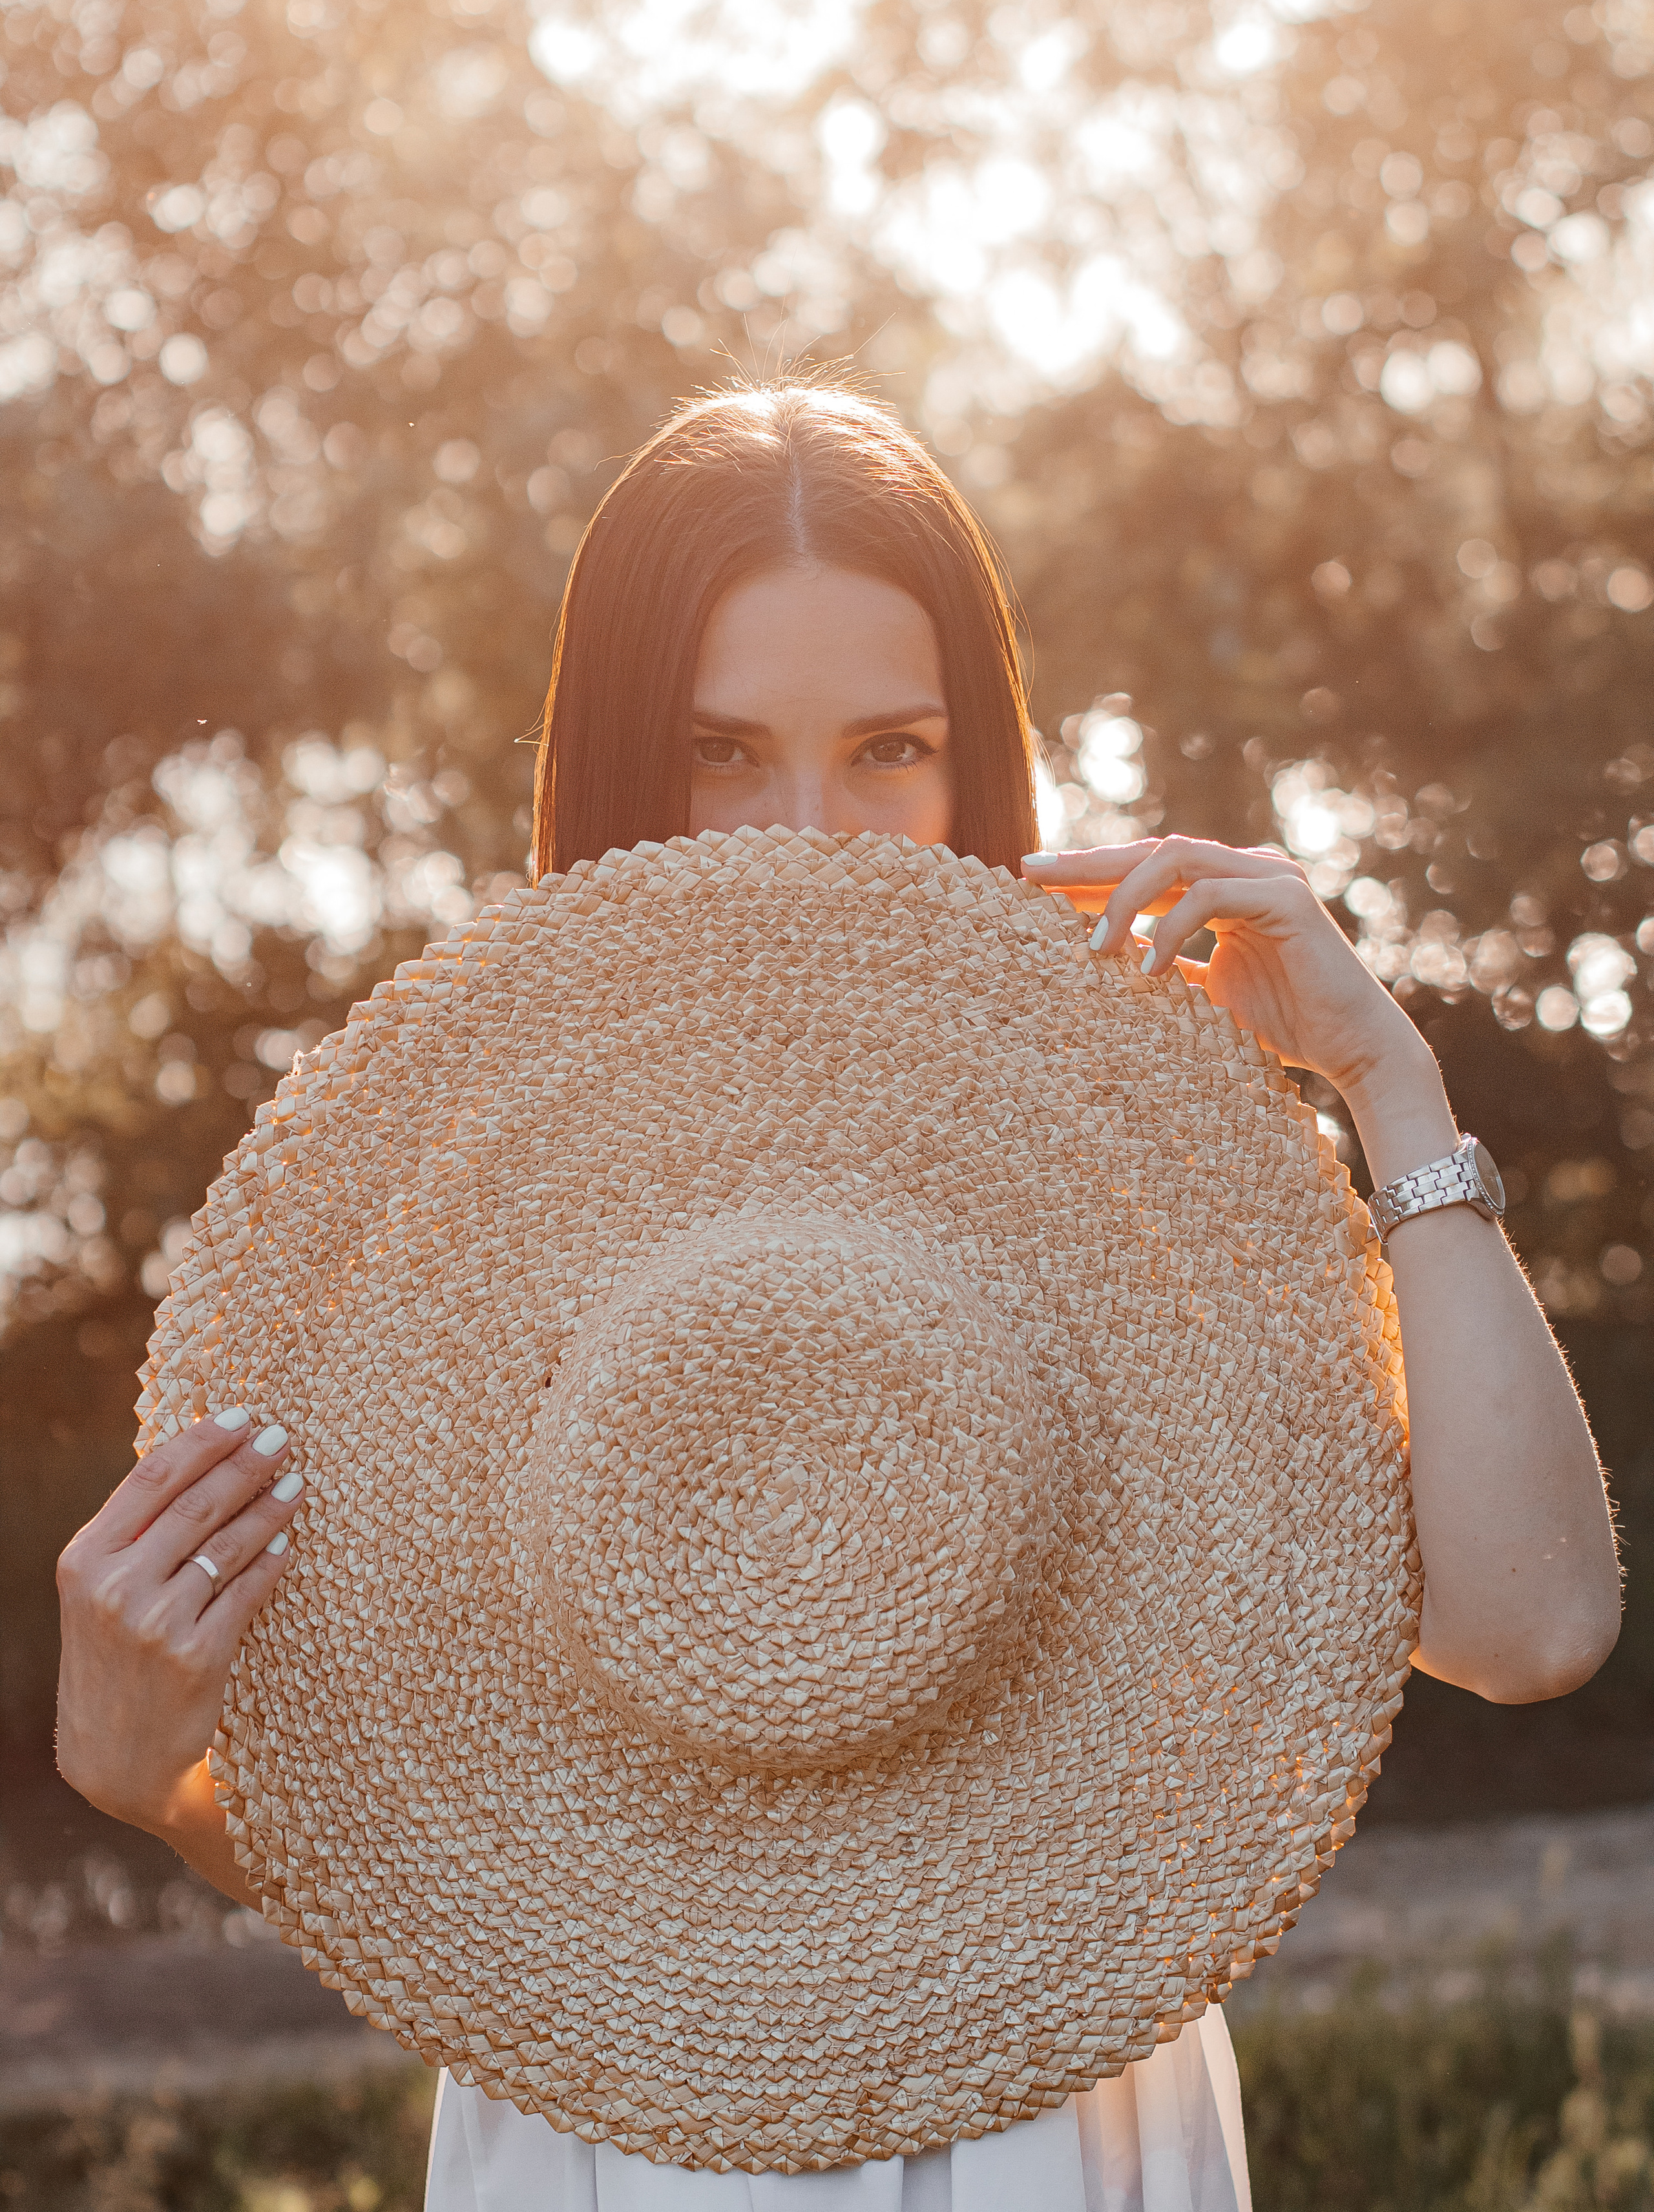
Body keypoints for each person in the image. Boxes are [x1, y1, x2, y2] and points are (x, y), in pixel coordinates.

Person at [56, 381, 1620, 2208]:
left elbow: (1526, 1628)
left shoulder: (1118, 1153)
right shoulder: (454, 1211)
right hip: (625, 2147)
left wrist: (1387, 1080)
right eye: (724, 751)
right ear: (618, 758)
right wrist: (146, 1773)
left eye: (890, 750)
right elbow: (452, 1849)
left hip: (1060, 2127)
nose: (809, 827)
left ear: (983, 759)